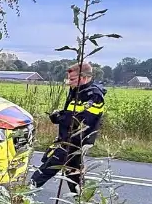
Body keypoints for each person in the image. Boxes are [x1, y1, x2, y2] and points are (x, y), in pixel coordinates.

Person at [29, 62, 107, 192]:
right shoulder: (77, 90)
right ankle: (80, 203)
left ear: (84, 77)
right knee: (74, 173)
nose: (69, 82)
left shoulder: (93, 95)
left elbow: (84, 121)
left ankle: (24, 194)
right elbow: (72, 113)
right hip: (67, 137)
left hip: (76, 140)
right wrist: (59, 115)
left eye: (72, 79)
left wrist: (61, 119)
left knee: (50, 166)